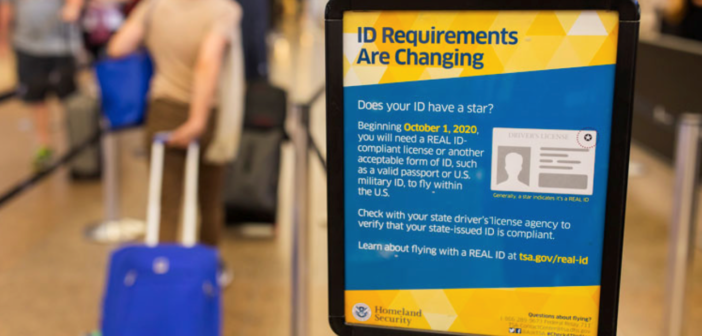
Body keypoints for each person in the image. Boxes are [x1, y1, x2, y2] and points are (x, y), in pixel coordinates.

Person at [107, 0, 241, 253]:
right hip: (209, 112)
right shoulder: (223, 9)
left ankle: (164, 273)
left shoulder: (154, 6)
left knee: (166, 204)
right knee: (210, 201)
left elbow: (118, 47)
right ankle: (206, 273)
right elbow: (207, 62)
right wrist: (197, 120)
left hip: (163, 108)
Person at [0, 0, 83, 171]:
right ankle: (43, 146)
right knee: (37, 98)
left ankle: (77, 147)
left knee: (69, 99)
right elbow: (6, 9)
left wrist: (73, 7)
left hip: (61, 45)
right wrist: (3, 42)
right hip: (27, 46)